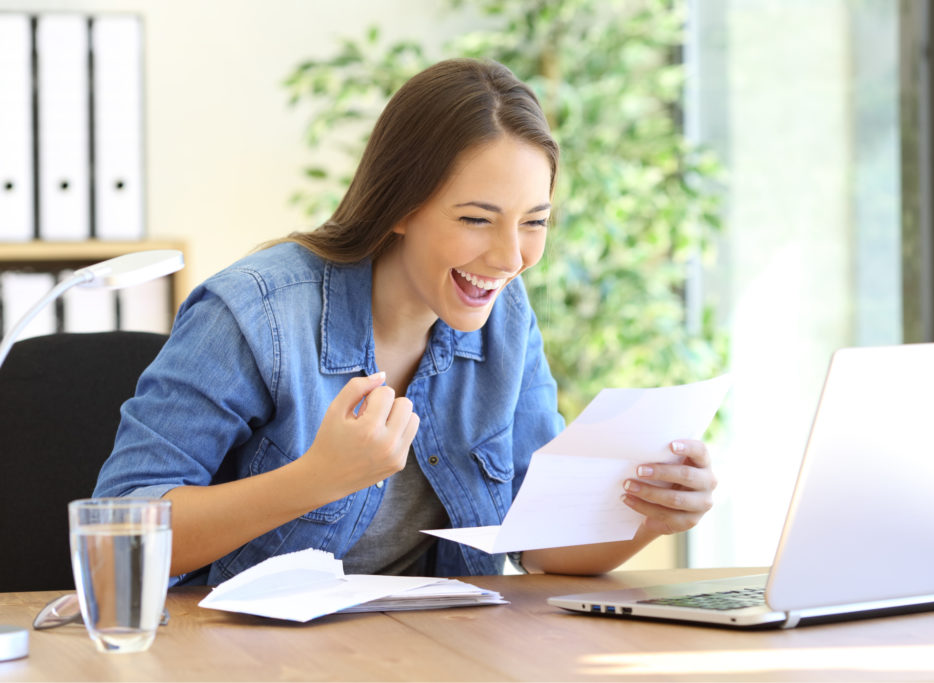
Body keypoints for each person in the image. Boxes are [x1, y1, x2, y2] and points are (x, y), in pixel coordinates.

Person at [93, 58, 716, 585]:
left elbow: (539, 541)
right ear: (399, 206)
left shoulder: (507, 322)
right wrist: (316, 479)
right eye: (476, 219)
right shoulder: (256, 313)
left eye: (534, 221)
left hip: (431, 655)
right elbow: (112, 550)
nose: (509, 259)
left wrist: (649, 516)